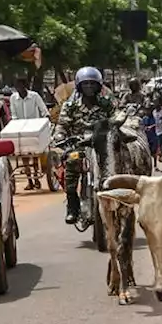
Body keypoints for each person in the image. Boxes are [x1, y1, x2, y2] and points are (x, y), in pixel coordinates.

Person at [55, 66, 117, 223]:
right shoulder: (70, 106)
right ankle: (72, 208)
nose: (89, 87)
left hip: (102, 147)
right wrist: (61, 138)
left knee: (115, 172)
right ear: (79, 86)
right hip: (79, 147)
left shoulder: (106, 104)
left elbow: (115, 120)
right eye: (85, 84)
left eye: (92, 83)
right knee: (71, 169)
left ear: (98, 86)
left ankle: (119, 206)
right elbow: (61, 126)